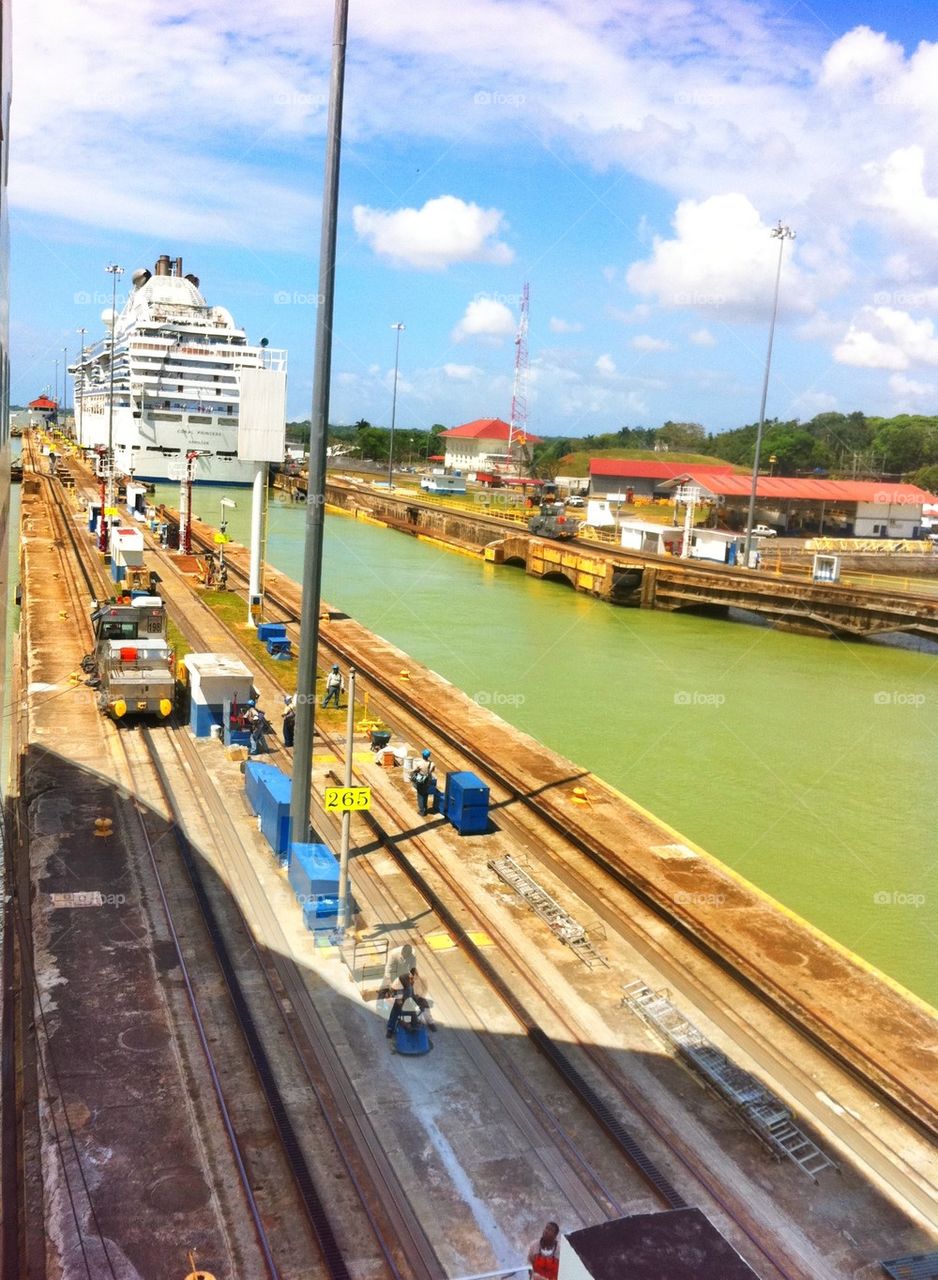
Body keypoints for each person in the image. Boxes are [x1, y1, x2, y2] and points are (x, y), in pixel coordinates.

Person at [412, 748, 437, 817]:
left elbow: (414, 770)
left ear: (422, 755)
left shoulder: (419, 763)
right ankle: (425, 808)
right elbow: (432, 770)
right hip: (428, 781)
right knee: (426, 794)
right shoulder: (432, 763)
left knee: (420, 795)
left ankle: (422, 811)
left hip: (421, 781)